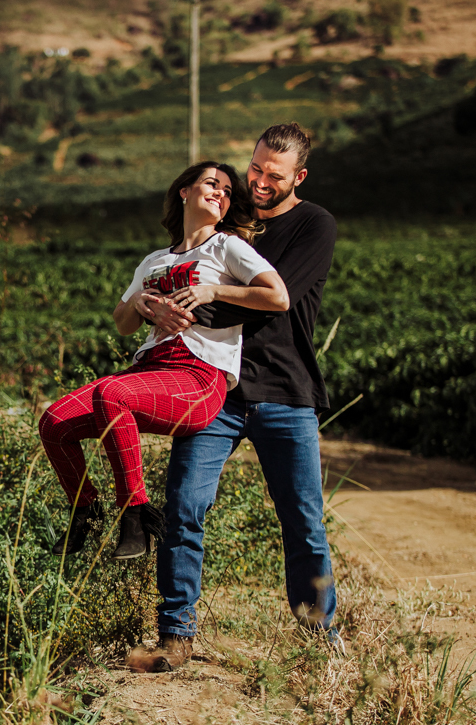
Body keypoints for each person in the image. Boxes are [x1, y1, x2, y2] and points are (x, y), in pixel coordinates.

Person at [129, 123, 339, 673]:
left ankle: (320, 638)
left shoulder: (313, 224)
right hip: (213, 389)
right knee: (185, 507)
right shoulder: (229, 224)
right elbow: (174, 274)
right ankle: (175, 636)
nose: (261, 181)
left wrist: (196, 298)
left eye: (276, 175)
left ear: (299, 177)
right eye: (256, 168)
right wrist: (155, 304)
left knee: (303, 521)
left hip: (285, 390)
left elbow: (276, 298)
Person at [38, 161, 290, 561]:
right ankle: (85, 510)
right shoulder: (154, 260)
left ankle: (135, 515)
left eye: (227, 191)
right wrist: (138, 302)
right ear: (184, 191)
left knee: (111, 393)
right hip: (151, 370)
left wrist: (212, 292)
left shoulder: (226, 247)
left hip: (198, 377)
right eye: (212, 183)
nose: (220, 193)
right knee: (54, 422)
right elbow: (123, 323)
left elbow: (278, 296)